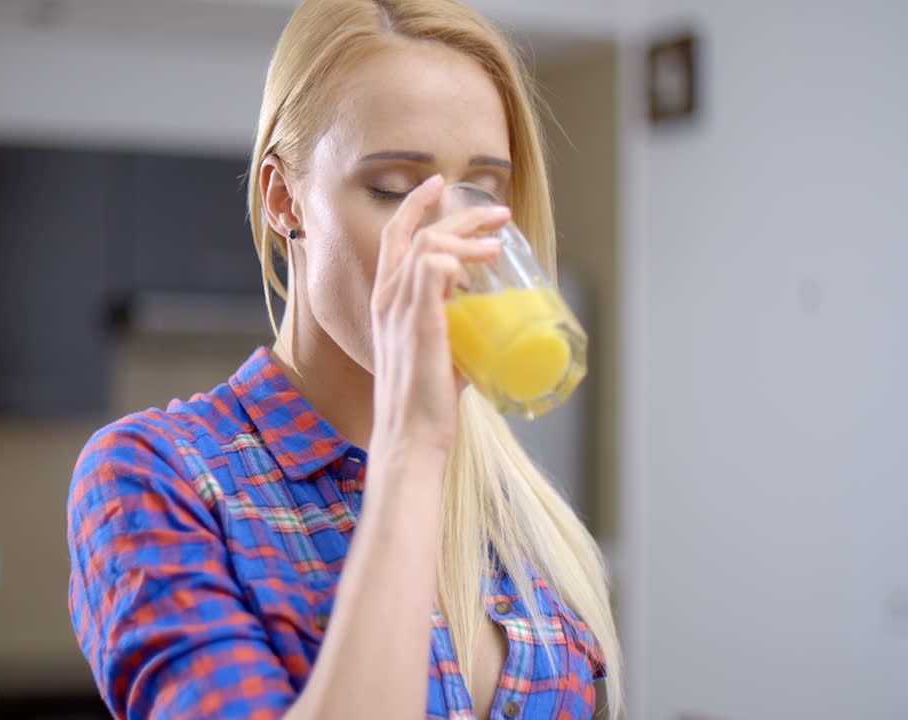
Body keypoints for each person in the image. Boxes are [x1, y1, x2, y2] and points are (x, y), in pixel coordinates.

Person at [66, 1, 622, 718]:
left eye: (479, 189)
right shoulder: (156, 477)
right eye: (393, 190)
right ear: (283, 198)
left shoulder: (513, 504)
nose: (443, 241)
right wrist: (410, 447)